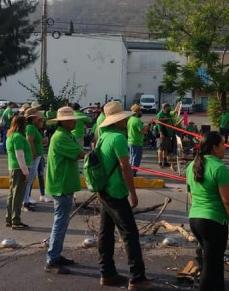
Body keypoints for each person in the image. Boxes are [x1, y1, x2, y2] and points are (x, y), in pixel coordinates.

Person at [96, 101, 155, 289]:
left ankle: (107, 273)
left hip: (104, 189)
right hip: (116, 192)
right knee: (130, 233)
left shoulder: (102, 136)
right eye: (123, 117)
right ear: (117, 120)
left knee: (105, 232)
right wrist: (133, 193)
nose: (126, 120)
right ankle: (137, 278)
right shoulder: (118, 138)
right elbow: (125, 167)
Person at [186, 131, 229, 291]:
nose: (225, 148)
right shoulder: (219, 168)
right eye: (223, 144)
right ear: (214, 148)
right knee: (211, 268)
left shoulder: (192, 165)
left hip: (196, 219)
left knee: (215, 264)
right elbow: (228, 200)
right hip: (213, 222)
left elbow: (190, 195)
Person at [45, 106, 86, 274]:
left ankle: (56, 255)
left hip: (64, 184)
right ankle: (52, 259)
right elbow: (79, 154)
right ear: (66, 122)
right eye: (73, 120)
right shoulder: (61, 137)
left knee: (61, 222)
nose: (75, 123)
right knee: (60, 222)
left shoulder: (64, 135)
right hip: (61, 185)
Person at [5, 115, 31, 230]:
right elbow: (19, 155)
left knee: (12, 194)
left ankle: (9, 218)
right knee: (18, 195)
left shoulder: (11, 136)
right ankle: (16, 220)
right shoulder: (19, 137)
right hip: (19, 169)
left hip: (14, 168)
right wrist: (26, 172)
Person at [23, 108, 51, 210]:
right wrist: (34, 153)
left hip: (37, 156)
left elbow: (33, 141)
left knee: (30, 180)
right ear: (34, 118)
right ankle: (25, 202)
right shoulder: (30, 128)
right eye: (39, 119)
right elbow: (29, 141)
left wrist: (42, 142)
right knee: (29, 180)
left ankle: (26, 200)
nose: (41, 121)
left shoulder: (33, 128)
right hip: (34, 157)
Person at [127, 104, 148, 177]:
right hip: (136, 142)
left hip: (130, 141)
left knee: (132, 157)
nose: (141, 112)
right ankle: (133, 172)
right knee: (136, 158)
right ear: (137, 111)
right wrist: (148, 125)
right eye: (140, 111)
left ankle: (130, 171)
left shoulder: (130, 119)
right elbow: (143, 131)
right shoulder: (137, 120)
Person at [155, 103, 174, 168]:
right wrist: (161, 133)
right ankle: (160, 162)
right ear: (164, 108)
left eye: (169, 107)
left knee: (165, 148)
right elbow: (158, 123)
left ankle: (165, 161)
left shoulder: (167, 114)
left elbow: (174, 112)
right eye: (167, 107)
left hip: (167, 134)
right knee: (161, 148)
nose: (169, 108)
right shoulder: (160, 114)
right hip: (162, 133)